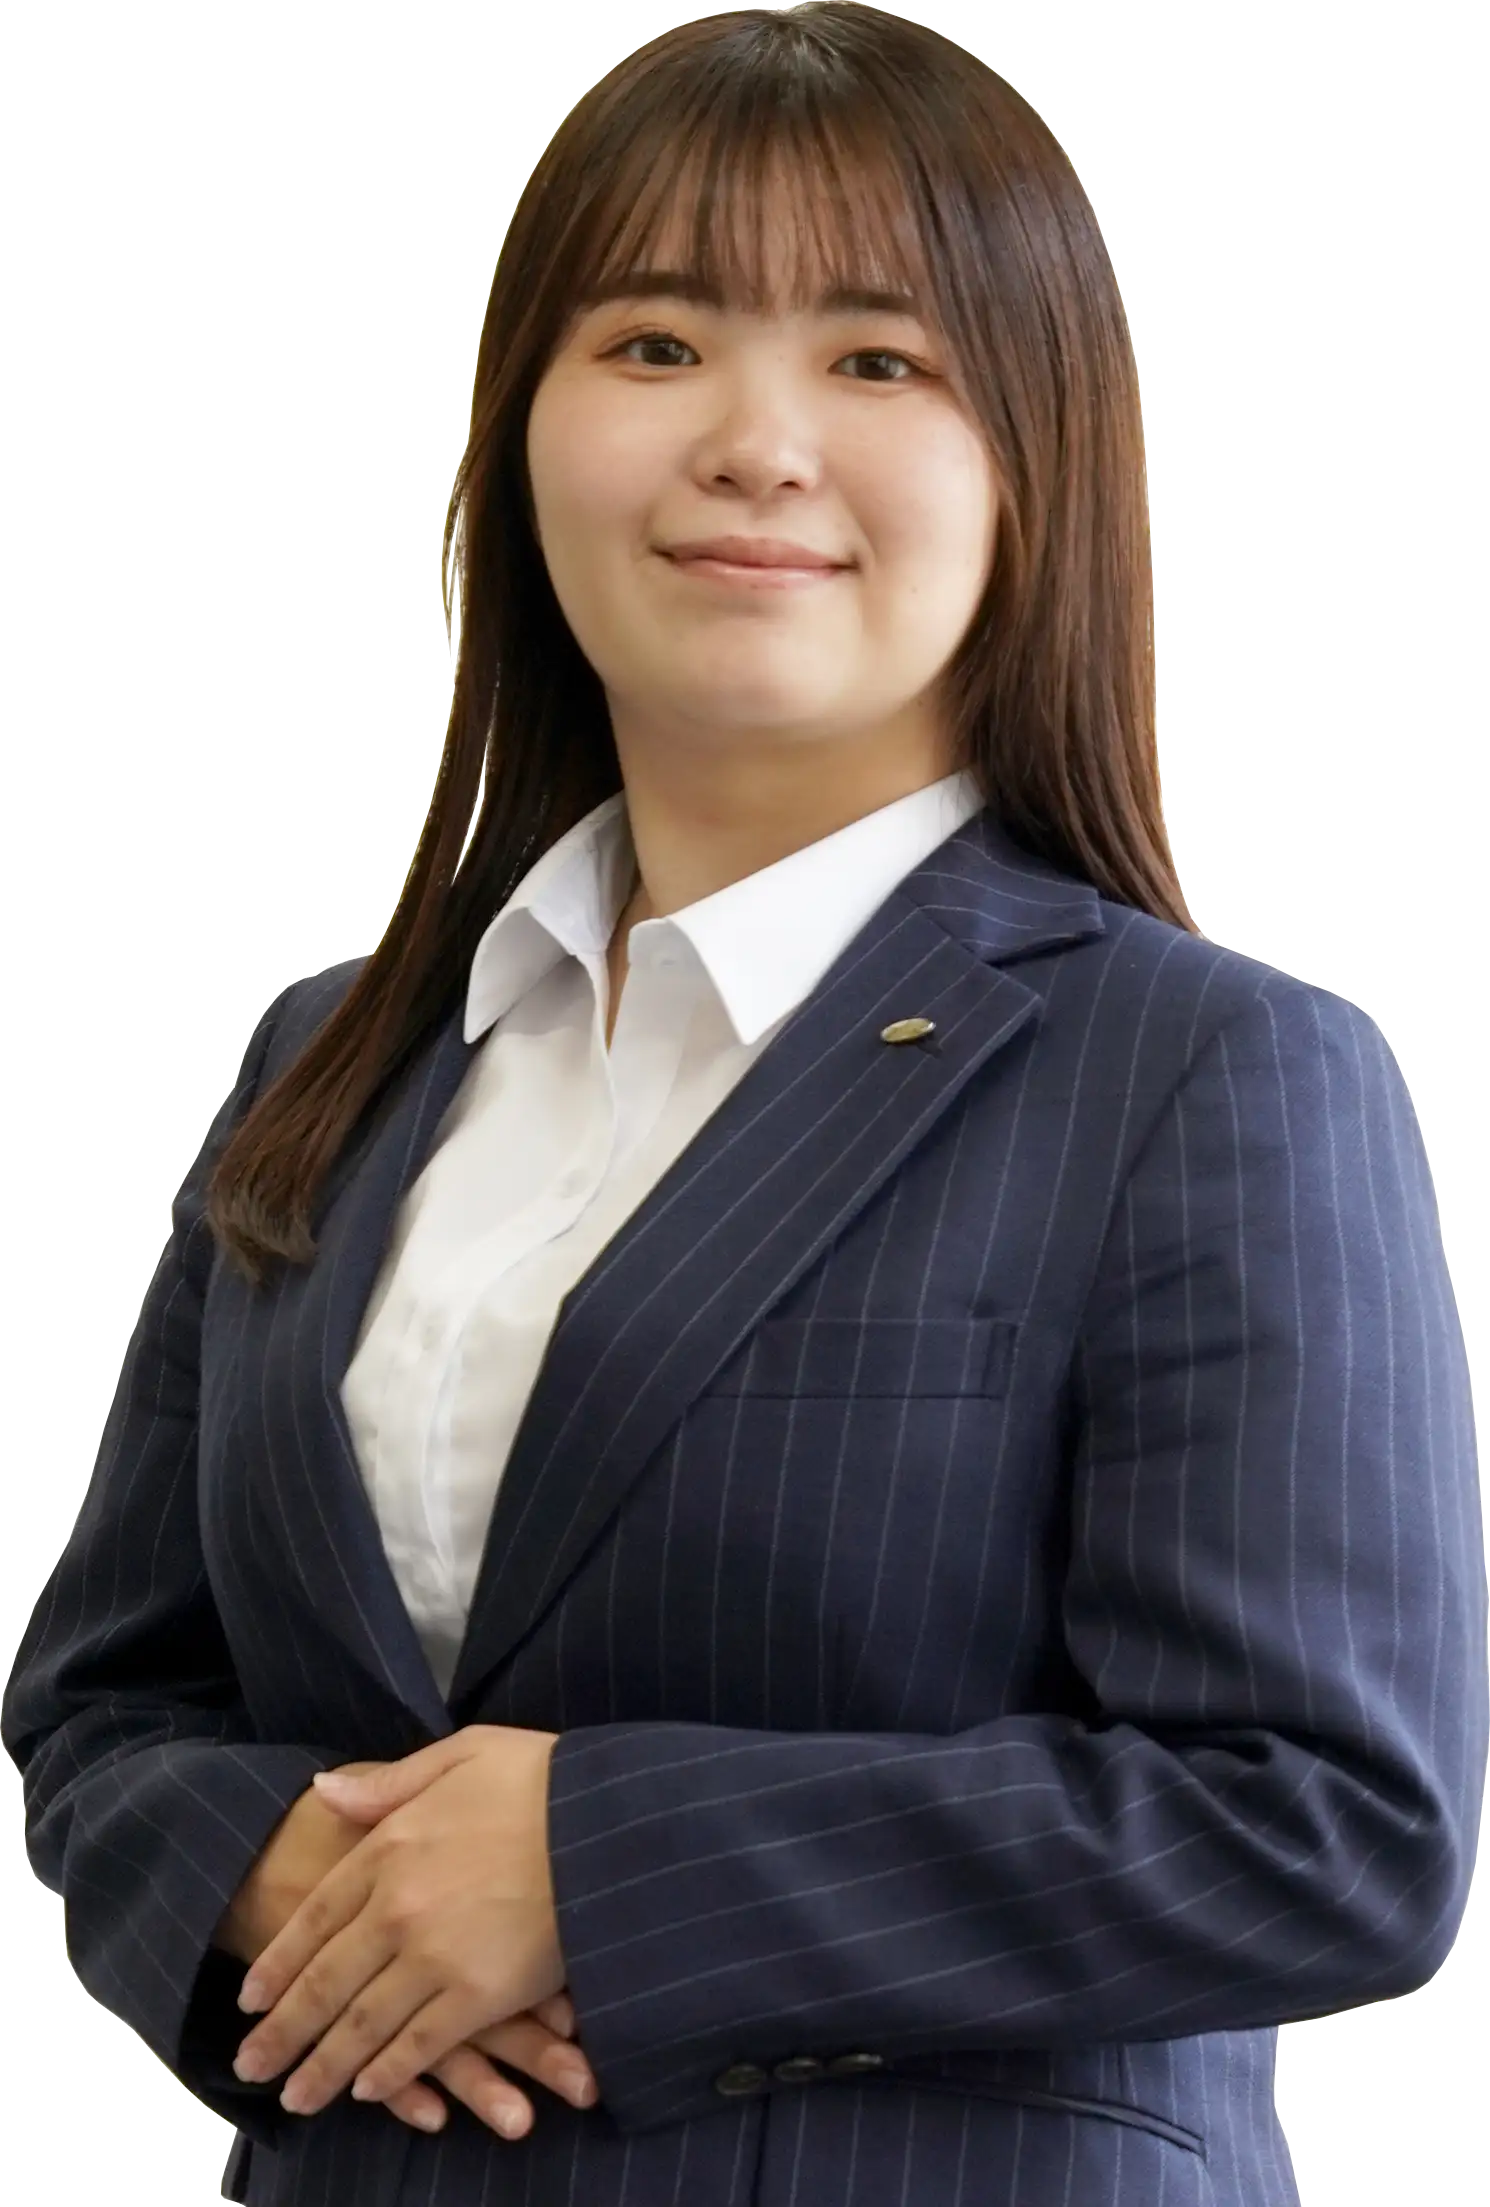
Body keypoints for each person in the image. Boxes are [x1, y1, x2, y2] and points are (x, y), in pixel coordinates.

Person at [4, 8, 1483, 2205]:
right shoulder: (335, 1053)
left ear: (1036, 463)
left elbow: (1327, 1823)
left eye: (878, 358)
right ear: (518, 434)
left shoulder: (1205, 1068)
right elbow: (106, 1710)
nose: (755, 444)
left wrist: (591, 1865)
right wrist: (285, 1866)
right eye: (655, 343)